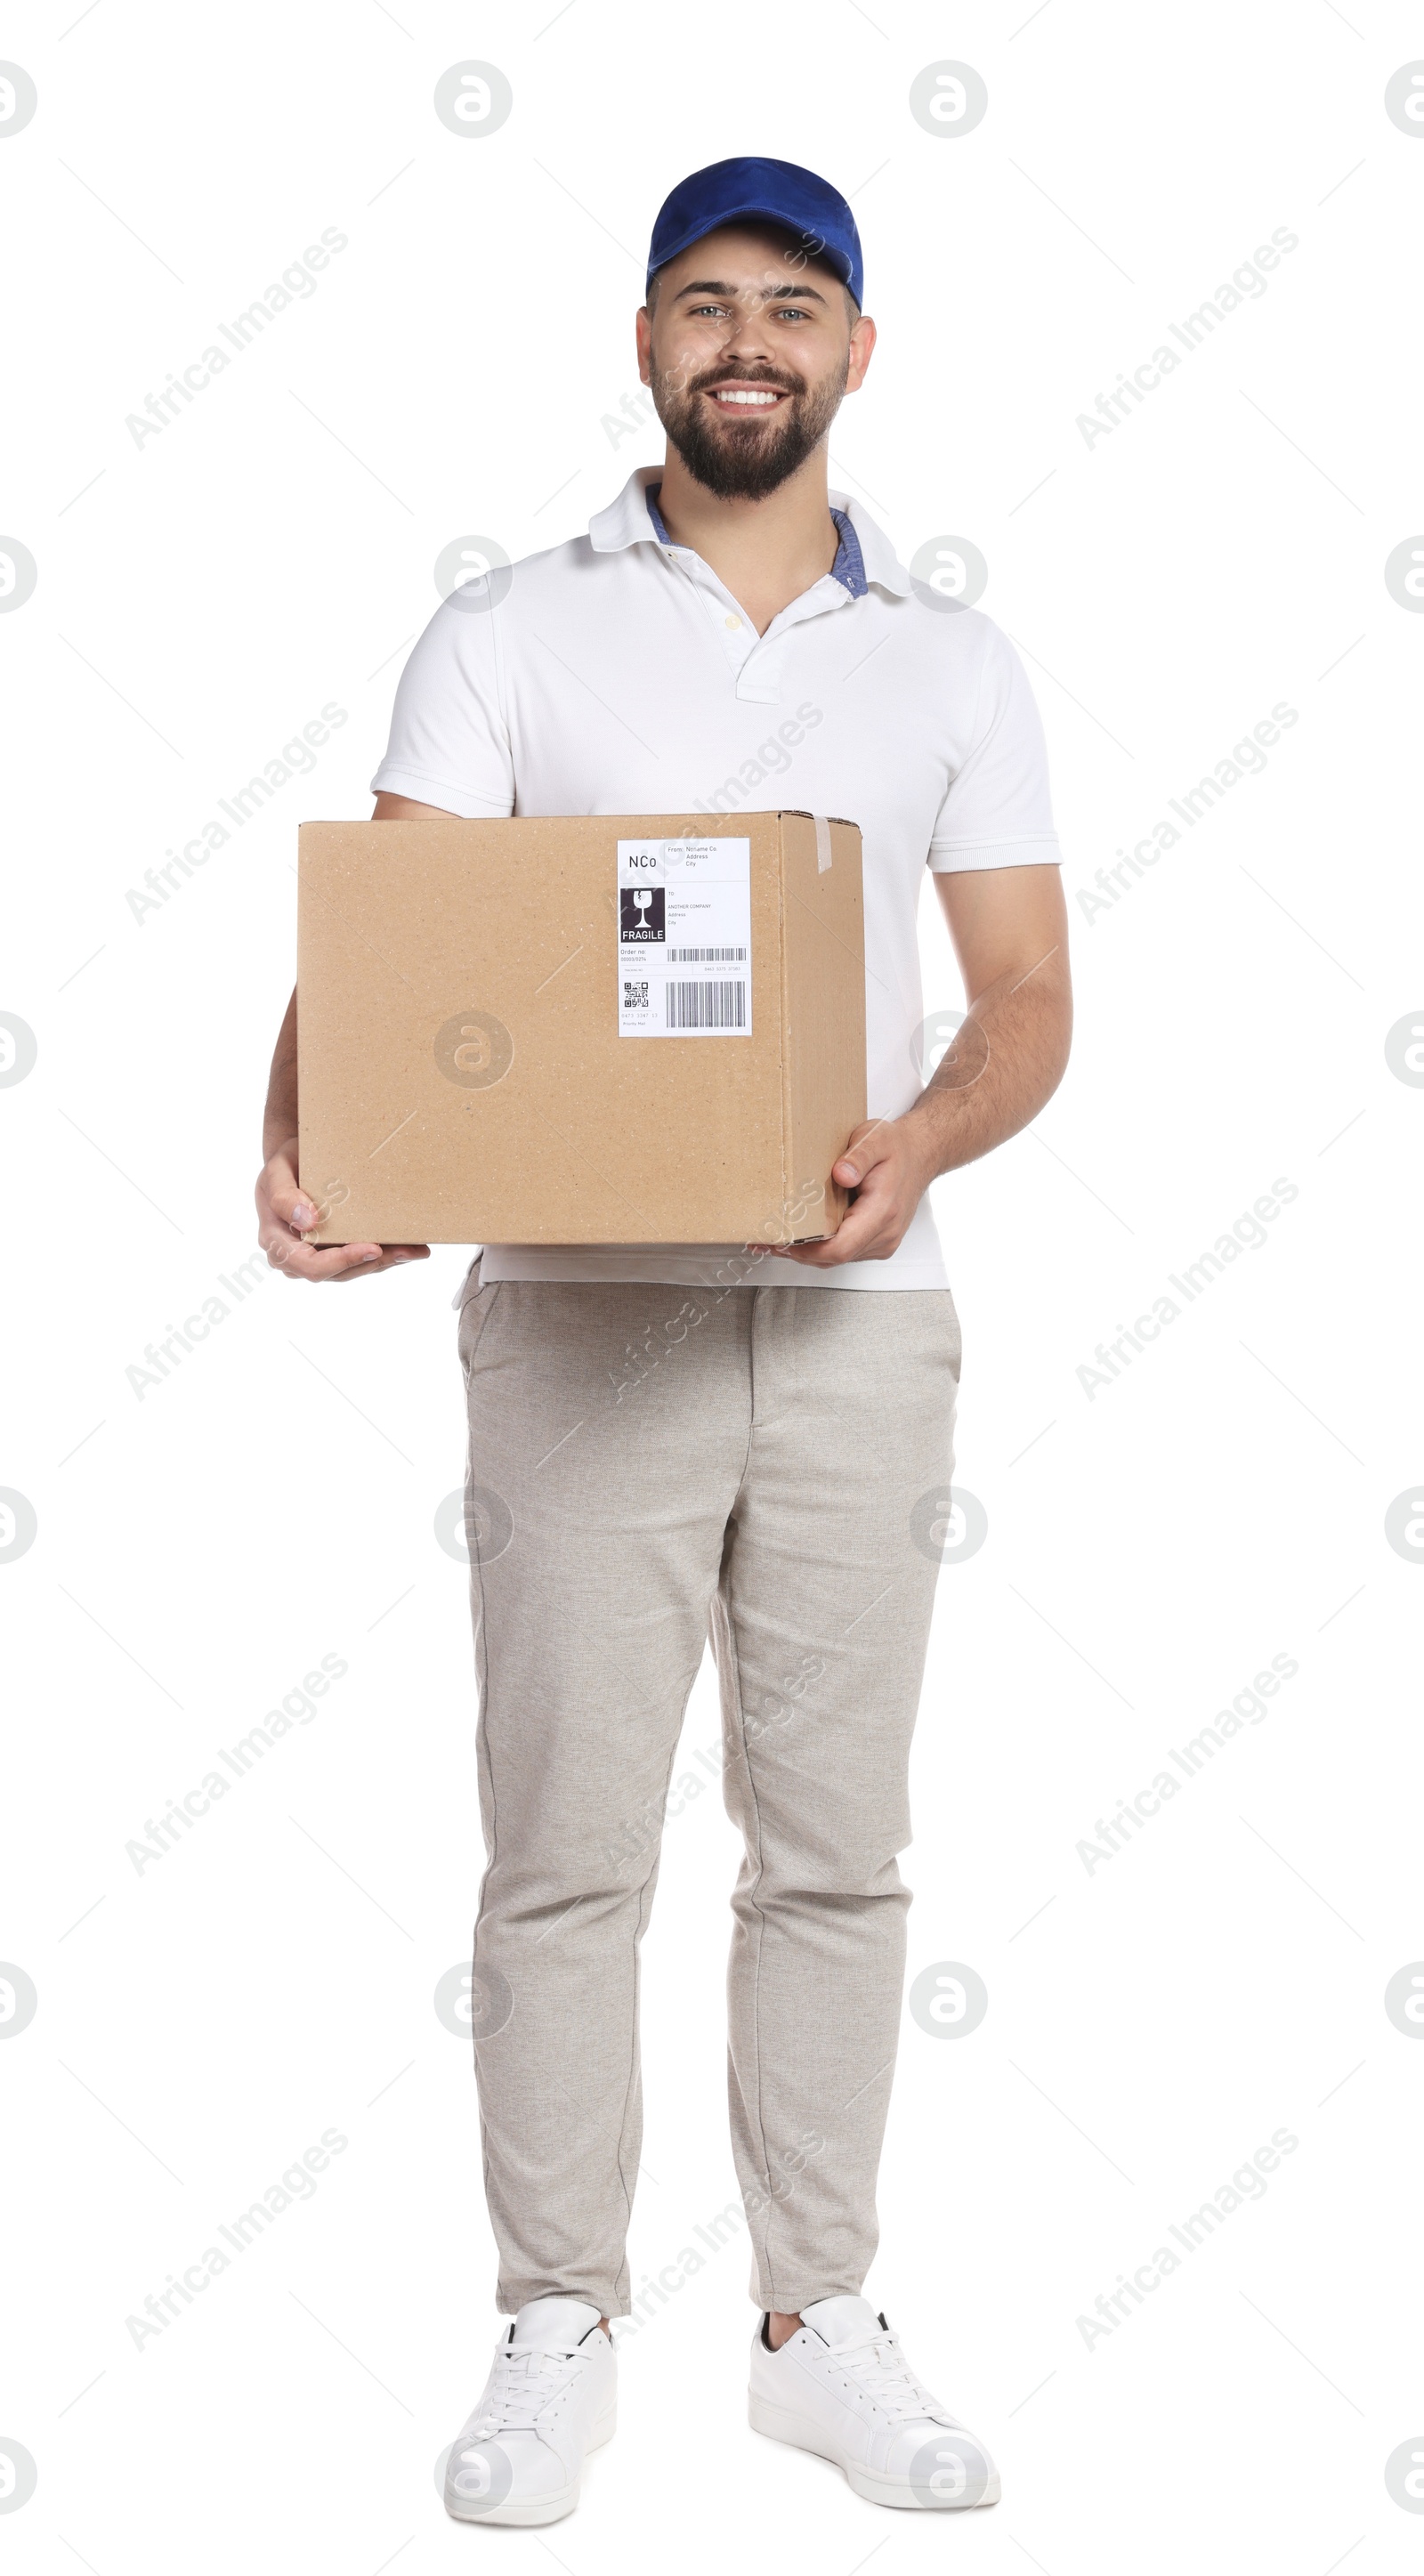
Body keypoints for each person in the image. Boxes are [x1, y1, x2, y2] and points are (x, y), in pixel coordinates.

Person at [255, 154, 1072, 2527]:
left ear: (853, 355)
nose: (748, 339)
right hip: (578, 1316)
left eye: (793, 304)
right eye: (702, 301)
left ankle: (817, 2321)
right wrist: (311, 1141)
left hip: (859, 1315)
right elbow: (399, 942)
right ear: (642, 346)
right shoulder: (513, 630)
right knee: (564, 1847)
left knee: (838, 1854)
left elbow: (1023, 1001)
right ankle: (557, 2316)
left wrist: (917, 1139)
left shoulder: (950, 658)